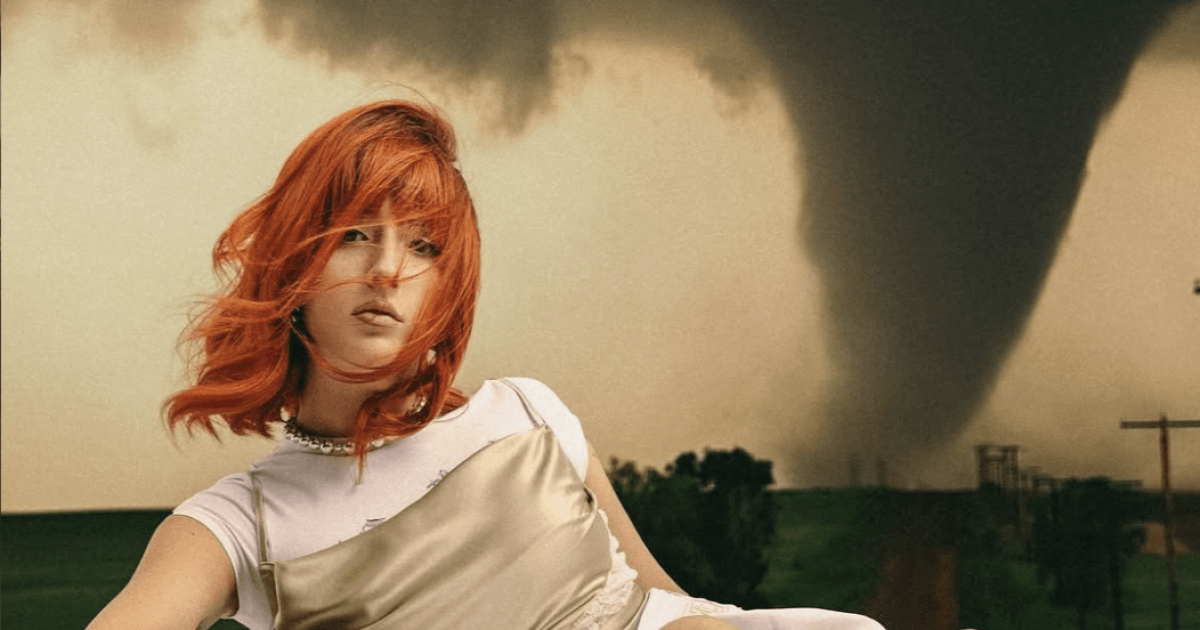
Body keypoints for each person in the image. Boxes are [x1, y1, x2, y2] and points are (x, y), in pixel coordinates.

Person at [88, 100, 884, 630]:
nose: (388, 270)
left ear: (451, 286)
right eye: (356, 234)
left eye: (425, 247)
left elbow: (662, 600)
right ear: (296, 259)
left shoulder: (528, 414)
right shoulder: (237, 525)